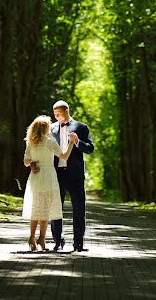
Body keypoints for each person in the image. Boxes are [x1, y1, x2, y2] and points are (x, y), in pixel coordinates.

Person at [22, 115, 76, 251]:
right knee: (45, 209)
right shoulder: (50, 141)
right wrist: (71, 143)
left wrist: (33, 163)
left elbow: (26, 161)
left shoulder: (31, 142)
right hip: (48, 176)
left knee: (36, 208)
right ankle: (41, 239)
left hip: (35, 177)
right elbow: (63, 156)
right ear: (46, 128)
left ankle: (32, 237)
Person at [51, 100, 94, 252]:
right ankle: (57, 241)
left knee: (79, 209)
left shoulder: (82, 127)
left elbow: (90, 148)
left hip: (75, 175)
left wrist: (78, 142)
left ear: (66, 111)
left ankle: (78, 243)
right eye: (54, 114)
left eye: (58, 114)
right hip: (57, 173)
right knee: (56, 209)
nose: (56, 117)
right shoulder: (51, 128)